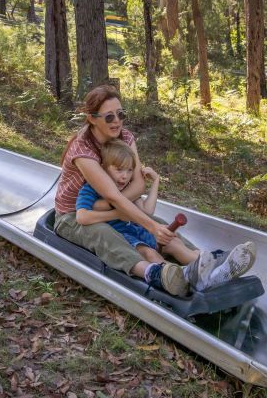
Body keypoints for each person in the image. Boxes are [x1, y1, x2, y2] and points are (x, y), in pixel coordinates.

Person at [54, 84, 254, 297]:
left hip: (109, 209)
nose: (117, 121)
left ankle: (206, 262)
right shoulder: (82, 149)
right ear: (92, 118)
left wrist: (115, 209)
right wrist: (129, 214)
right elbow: (113, 195)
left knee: (159, 225)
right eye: (109, 117)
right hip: (74, 215)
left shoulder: (125, 138)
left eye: (121, 114)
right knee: (105, 233)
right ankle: (159, 273)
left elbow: (138, 185)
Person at [75, 139, 256, 291]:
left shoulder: (127, 189)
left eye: (129, 170)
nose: (125, 176)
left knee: (174, 243)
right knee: (150, 253)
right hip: (121, 237)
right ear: (104, 169)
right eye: (119, 170)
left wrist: (156, 181)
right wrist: (117, 214)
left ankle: (217, 267)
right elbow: (82, 217)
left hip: (139, 232)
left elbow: (147, 211)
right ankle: (180, 279)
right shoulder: (91, 189)